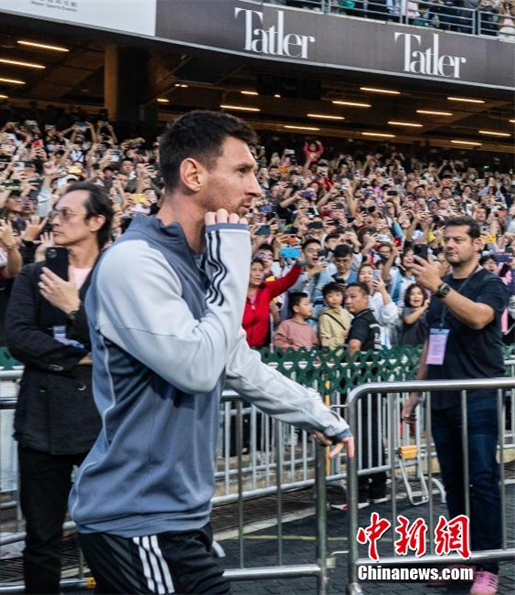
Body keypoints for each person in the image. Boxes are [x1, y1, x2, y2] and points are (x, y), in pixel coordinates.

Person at [68, 110, 353, 594]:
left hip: (175, 514)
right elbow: (199, 368)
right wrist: (232, 262)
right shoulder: (134, 262)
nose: (257, 188)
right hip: (137, 518)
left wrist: (320, 415)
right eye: (242, 171)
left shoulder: (198, 264)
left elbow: (236, 361)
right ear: (193, 174)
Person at [5, 182, 112, 594]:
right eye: (58, 212)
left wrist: (74, 309)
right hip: (40, 425)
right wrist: (80, 355)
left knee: (106, 533)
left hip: (102, 424)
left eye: (68, 213)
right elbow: (17, 336)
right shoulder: (35, 274)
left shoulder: (118, 274)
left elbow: (123, 340)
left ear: (96, 221)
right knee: (41, 537)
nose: (57, 219)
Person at [402, 217, 508, 595]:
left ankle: (488, 565)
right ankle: (460, 557)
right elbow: (433, 342)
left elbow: (480, 317)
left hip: (478, 395)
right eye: (445, 239)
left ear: (477, 244)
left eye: (458, 239)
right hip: (443, 396)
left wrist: (439, 286)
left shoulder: (490, 283)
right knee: (454, 484)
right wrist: (416, 392)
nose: (449, 245)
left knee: (482, 481)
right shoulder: (440, 290)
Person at [342, 282, 387, 509]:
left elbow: (354, 345)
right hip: (374, 385)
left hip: (360, 385)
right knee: (373, 436)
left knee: (358, 438)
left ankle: (359, 494)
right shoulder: (374, 321)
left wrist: (346, 368)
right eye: (346, 297)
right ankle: (378, 489)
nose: (348, 301)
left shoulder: (361, 321)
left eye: (353, 296)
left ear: (366, 298)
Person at [243, 256, 303, 348]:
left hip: (261, 348)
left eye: (261, 270)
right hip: (239, 349)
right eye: (254, 270)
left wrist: (298, 265)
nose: (258, 274)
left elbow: (286, 281)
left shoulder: (267, 289)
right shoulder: (237, 294)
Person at [318, 283, 352, 349]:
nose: (335, 299)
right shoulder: (324, 317)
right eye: (330, 296)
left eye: (338, 295)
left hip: (348, 353)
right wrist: (342, 337)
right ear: (325, 299)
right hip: (334, 356)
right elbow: (325, 343)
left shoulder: (345, 312)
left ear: (342, 296)